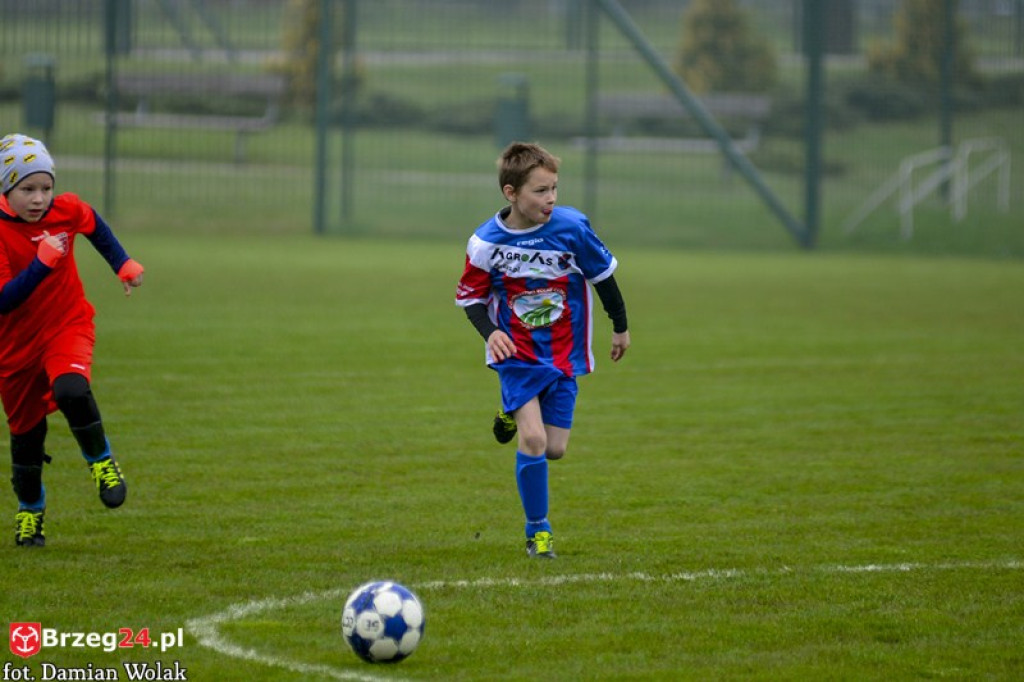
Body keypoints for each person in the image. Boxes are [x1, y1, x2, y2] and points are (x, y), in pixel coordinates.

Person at [455, 142, 630, 559]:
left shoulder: (571, 229)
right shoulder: (485, 243)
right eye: (540, 191)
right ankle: (538, 531)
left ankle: (508, 414)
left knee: (554, 448)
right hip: (515, 354)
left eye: (554, 189)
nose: (550, 199)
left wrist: (620, 327)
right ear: (511, 193)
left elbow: (603, 277)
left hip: (562, 354)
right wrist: (489, 332)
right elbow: (470, 297)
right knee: (533, 441)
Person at [1, 133, 145, 547]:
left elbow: (93, 223)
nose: (39, 199)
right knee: (26, 439)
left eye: (46, 187)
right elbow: (4, 300)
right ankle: (30, 511)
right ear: (6, 189)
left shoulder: (65, 210)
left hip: (67, 325)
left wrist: (123, 263)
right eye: (27, 189)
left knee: (71, 388)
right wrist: (43, 263)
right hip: (14, 349)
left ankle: (101, 461)